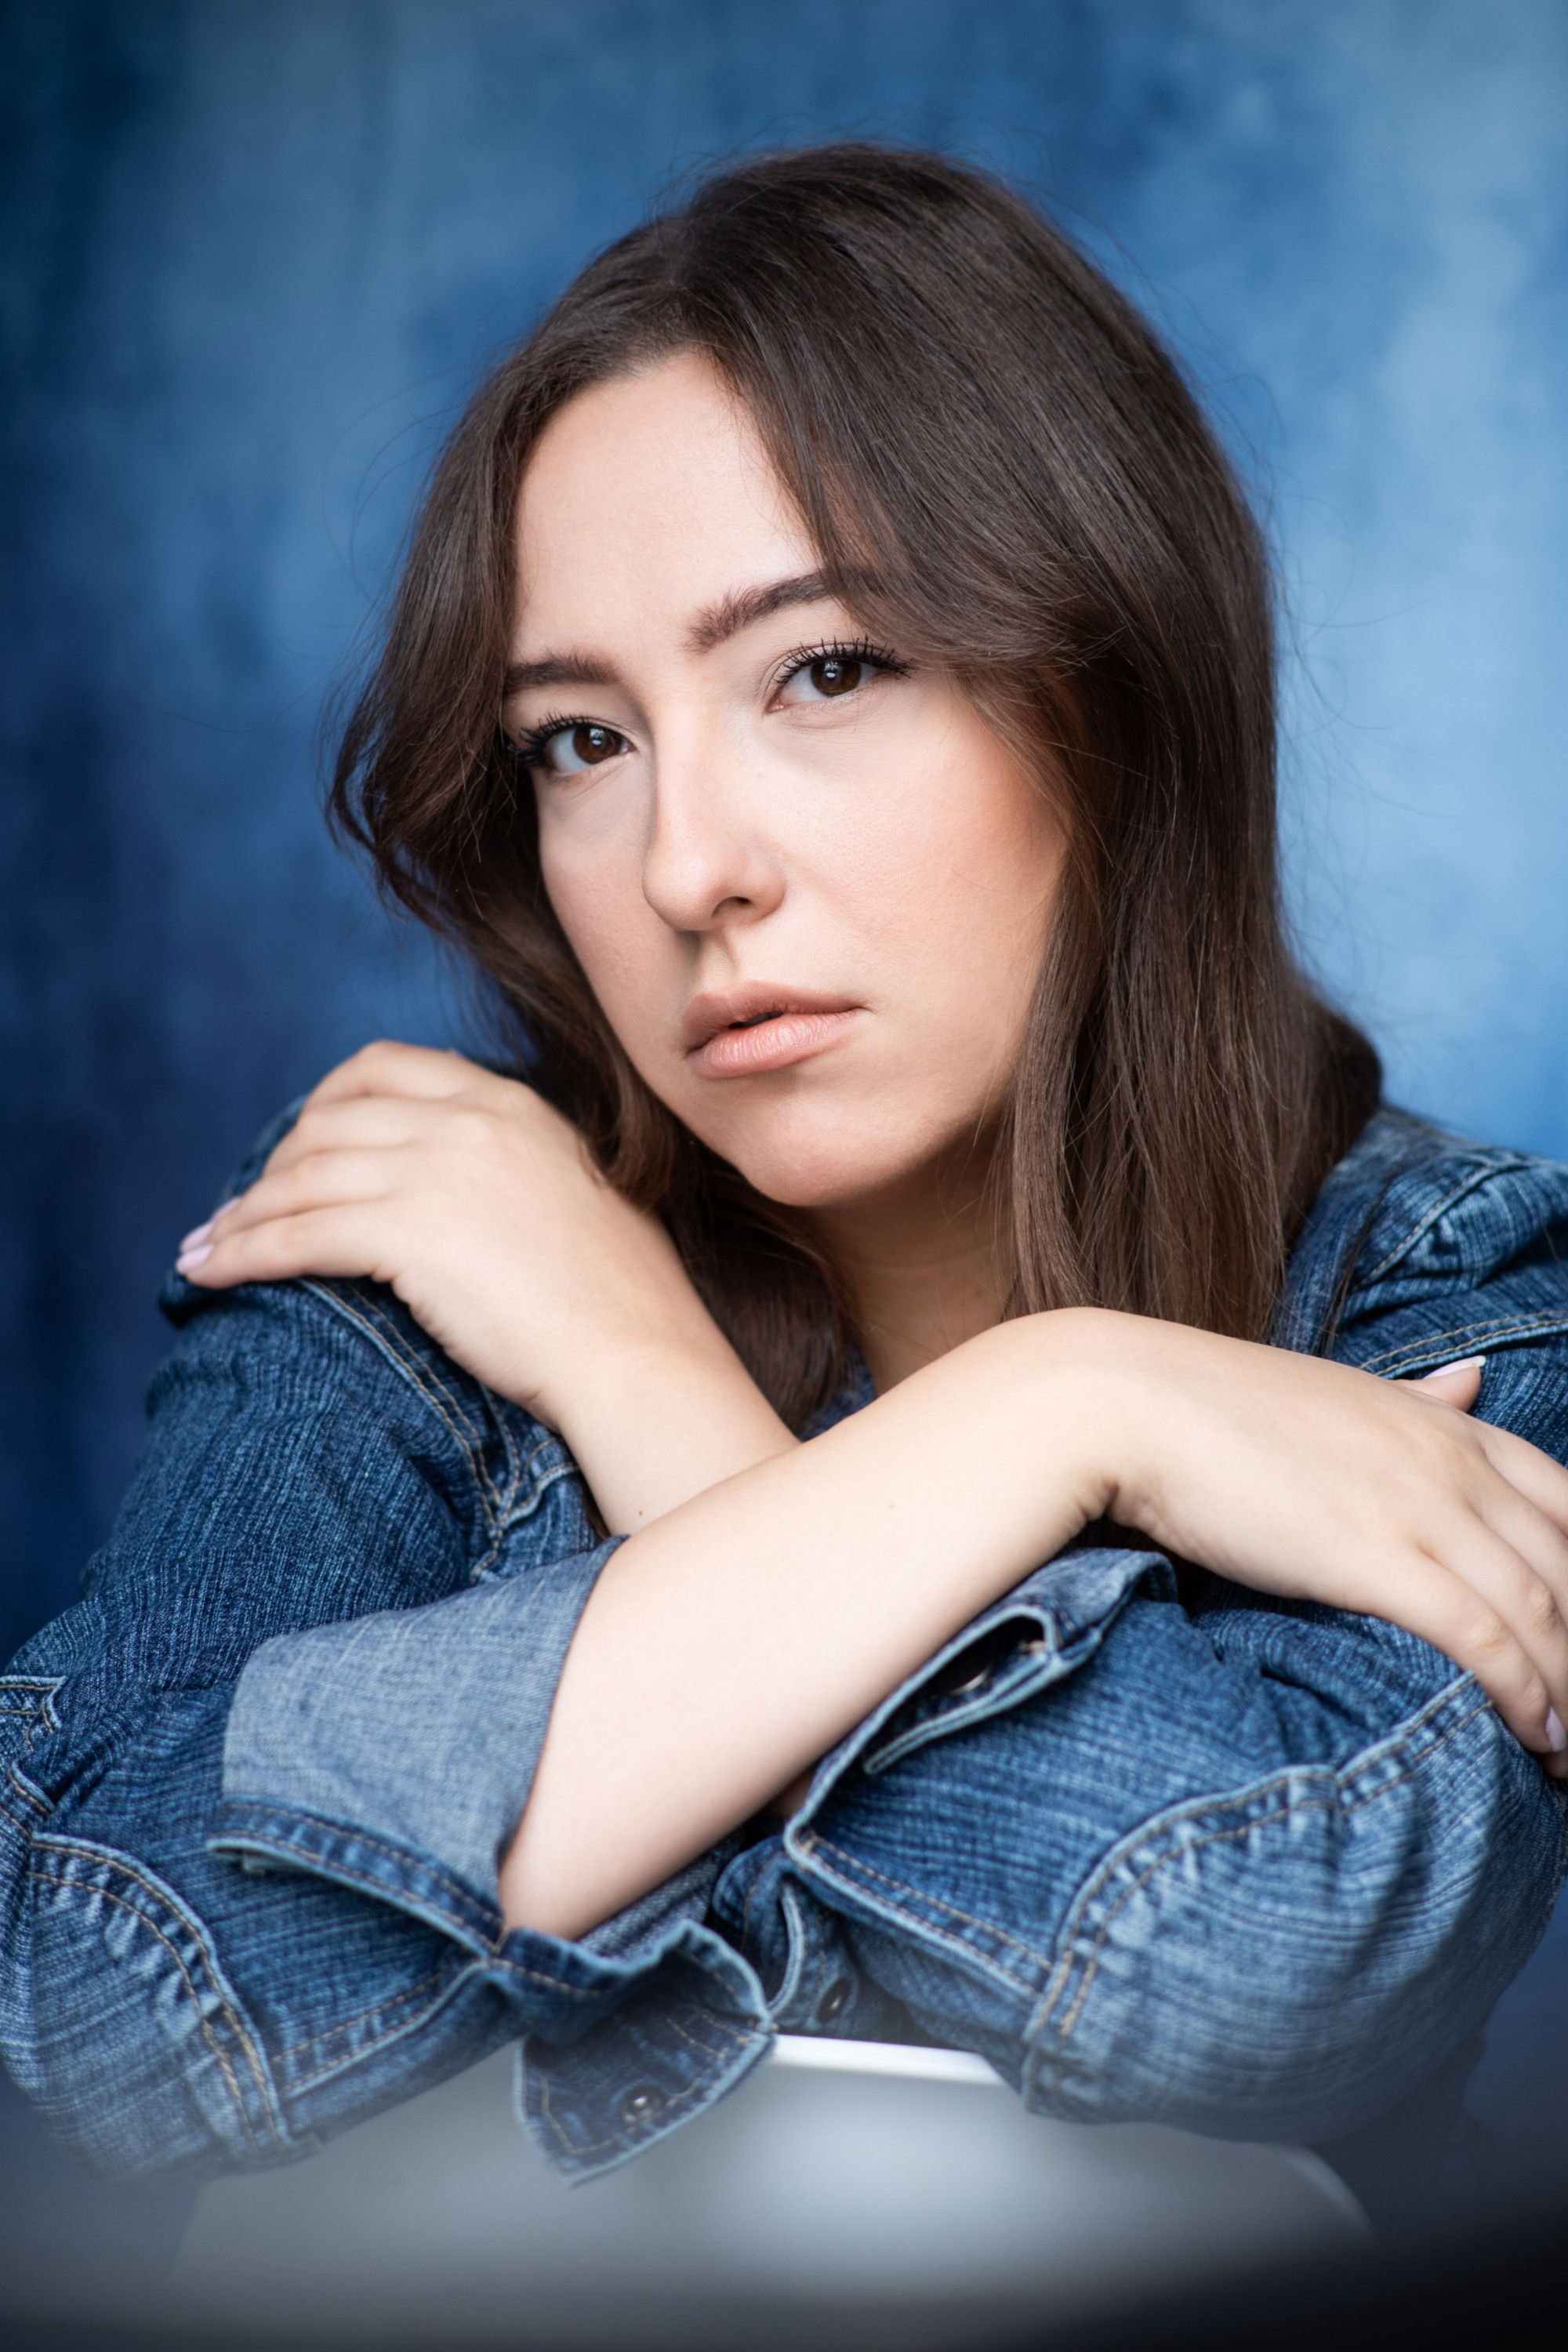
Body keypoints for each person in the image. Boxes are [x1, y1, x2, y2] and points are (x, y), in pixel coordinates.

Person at [3, 145, 1566, 2205]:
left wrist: (695, 1412)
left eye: (823, 670)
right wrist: (1071, 1412)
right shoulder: (444, 1244)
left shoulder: (1453, 1290)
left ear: (1111, 695)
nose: (684, 870)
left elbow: (1234, 1957)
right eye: (582, 739)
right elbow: (105, 1992)